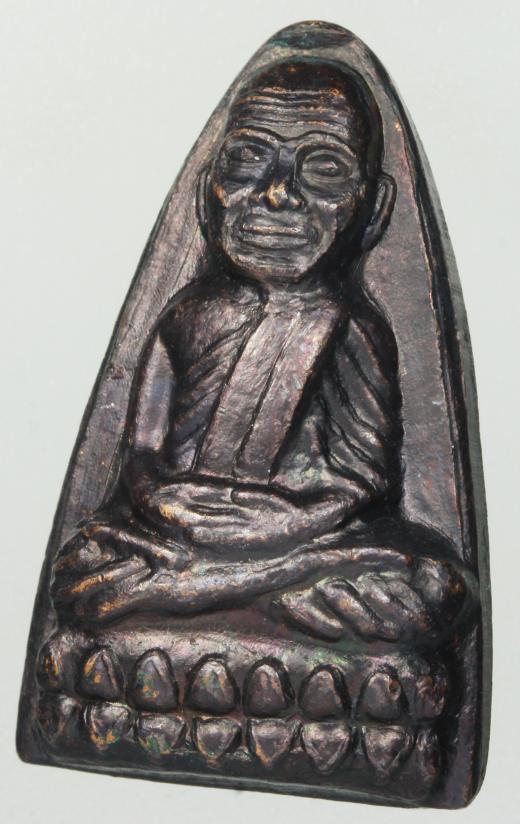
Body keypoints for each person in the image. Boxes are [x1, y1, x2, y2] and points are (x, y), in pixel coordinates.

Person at [52, 61, 470, 641]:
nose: (277, 194)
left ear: (373, 209)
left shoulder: (351, 326)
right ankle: (228, 588)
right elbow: (142, 449)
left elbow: (365, 478)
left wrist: (289, 525)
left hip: (303, 536)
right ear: (208, 191)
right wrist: (165, 505)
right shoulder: (187, 315)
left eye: (323, 169)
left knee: (432, 589)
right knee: (83, 564)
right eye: (249, 159)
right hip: (175, 527)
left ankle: (189, 593)